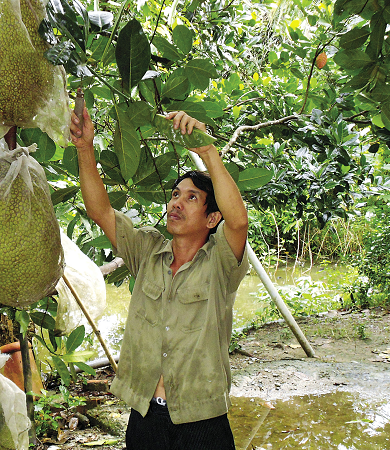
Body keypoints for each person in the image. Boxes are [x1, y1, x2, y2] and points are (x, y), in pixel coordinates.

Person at [70, 107, 250, 450]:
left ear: (212, 218)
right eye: (175, 195)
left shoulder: (220, 263)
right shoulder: (147, 250)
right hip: (146, 417)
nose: (176, 204)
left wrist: (208, 151)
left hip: (203, 421)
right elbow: (101, 211)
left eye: (191, 197)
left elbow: (238, 220)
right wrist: (84, 148)